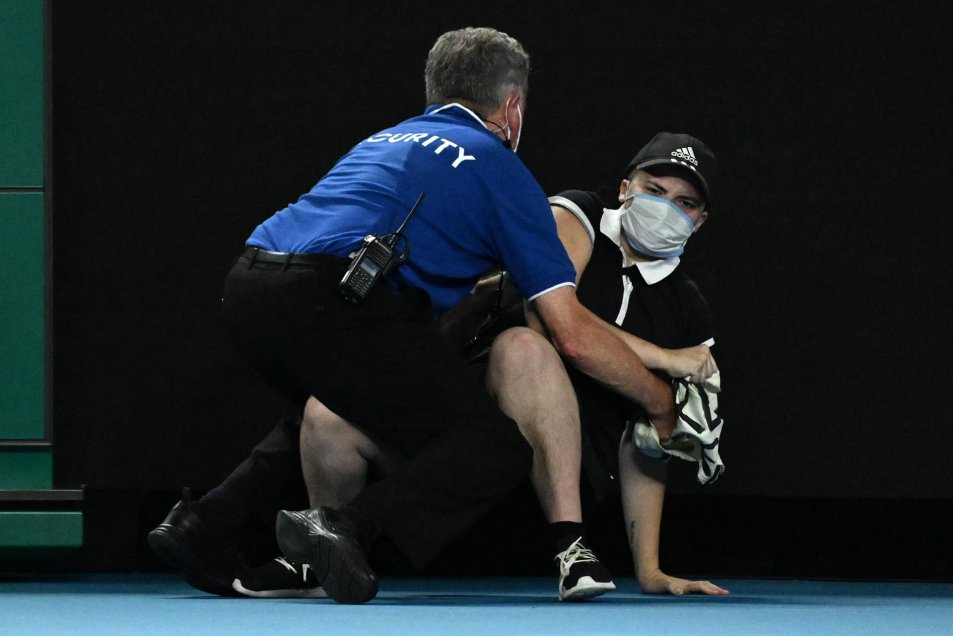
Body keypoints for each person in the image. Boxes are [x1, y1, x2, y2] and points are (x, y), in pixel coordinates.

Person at [148, 27, 677, 605]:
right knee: (494, 447)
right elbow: (568, 335)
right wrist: (657, 397)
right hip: (337, 298)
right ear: (513, 106)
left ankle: (204, 523)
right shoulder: (501, 169)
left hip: (248, 288)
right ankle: (347, 525)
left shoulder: (386, 139)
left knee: (356, 401)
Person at [489, 131, 729, 595]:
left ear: (699, 222)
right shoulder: (579, 215)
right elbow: (554, 327)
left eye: (685, 203)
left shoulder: (686, 306)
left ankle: (573, 547)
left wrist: (651, 570)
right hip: (492, 433)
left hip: (572, 492)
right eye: (654, 190)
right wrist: (662, 358)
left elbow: (649, 439)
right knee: (525, 346)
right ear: (624, 189)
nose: (666, 208)